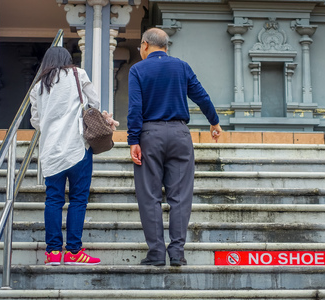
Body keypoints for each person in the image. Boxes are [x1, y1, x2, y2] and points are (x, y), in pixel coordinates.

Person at [127, 28, 222, 267]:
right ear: (166, 47)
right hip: (180, 134)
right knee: (180, 197)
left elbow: (135, 108)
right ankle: (177, 252)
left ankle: (157, 253)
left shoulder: (137, 70)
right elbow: (201, 96)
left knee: (149, 197)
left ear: (145, 45)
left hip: (150, 135)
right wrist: (214, 122)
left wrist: (133, 140)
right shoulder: (181, 66)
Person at [30, 46, 104, 266]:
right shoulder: (77, 74)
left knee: (53, 199)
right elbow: (95, 104)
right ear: (67, 59)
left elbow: (35, 121)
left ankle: (53, 253)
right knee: (78, 200)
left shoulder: (38, 87)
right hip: (77, 148)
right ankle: (73, 252)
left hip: (51, 151)